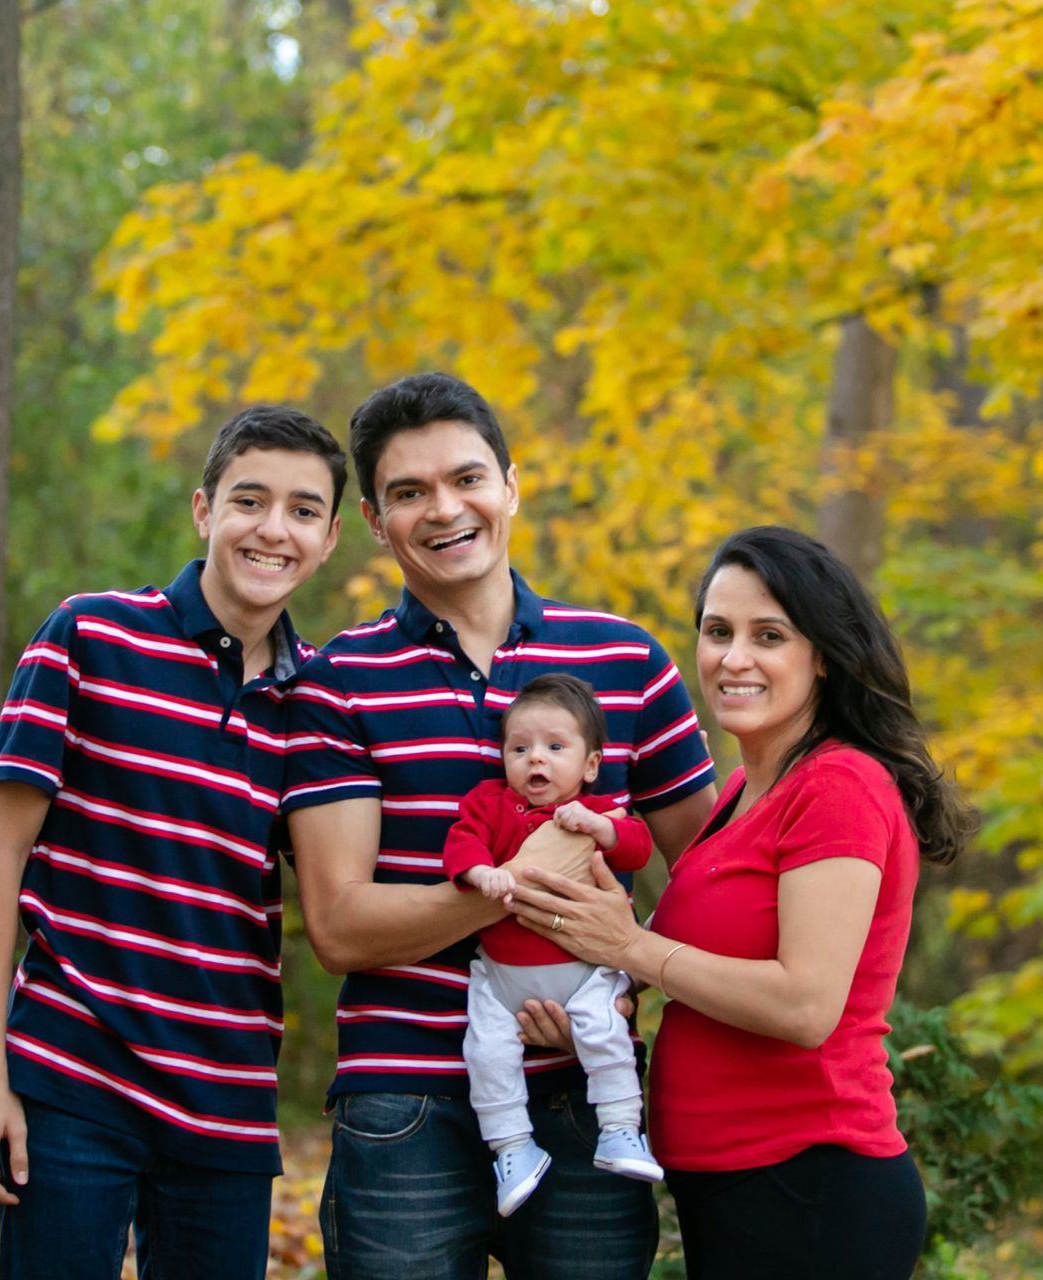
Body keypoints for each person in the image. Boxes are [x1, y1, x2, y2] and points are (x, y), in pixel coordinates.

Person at [281, 372, 718, 1280]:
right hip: (407, 1102)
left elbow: (711, 889)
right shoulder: (338, 680)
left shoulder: (627, 659)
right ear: (373, 518)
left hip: (586, 1102)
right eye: (409, 492)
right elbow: (341, 928)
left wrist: (620, 983)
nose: (446, 509)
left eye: (468, 478)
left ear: (512, 485)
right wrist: (527, 881)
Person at [509, 525, 975, 1280]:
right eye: (717, 631)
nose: (734, 658)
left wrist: (631, 947)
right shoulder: (741, 794)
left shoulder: (839, 786)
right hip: (732, 1187)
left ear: (822, 654)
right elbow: (703, 975)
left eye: (769, 635)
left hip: (810, 1183)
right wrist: (600, 1000)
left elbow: (805, 1004)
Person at [0, 406, 345, 1280]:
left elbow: (345, 889)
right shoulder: (88, 637)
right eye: (250, 501)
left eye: (303, 510)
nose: (273, 529)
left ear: (327, 541)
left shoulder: (319, 703)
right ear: (204, 511)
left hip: (228, 1098)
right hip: (71, 1073)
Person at [442, 674, 663, 1217]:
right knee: (486, 1051)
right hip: (503, 977)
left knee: (606, 1030)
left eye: (554, 748)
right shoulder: (490, 804)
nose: (535, 760)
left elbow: (636, 846)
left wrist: (601, 827)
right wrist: (478, 871)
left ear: (589, 766)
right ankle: (513, 1147)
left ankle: (619, 1129)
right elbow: (460, 841)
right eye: (520, 749)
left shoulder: (599, 809)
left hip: (583, 973)